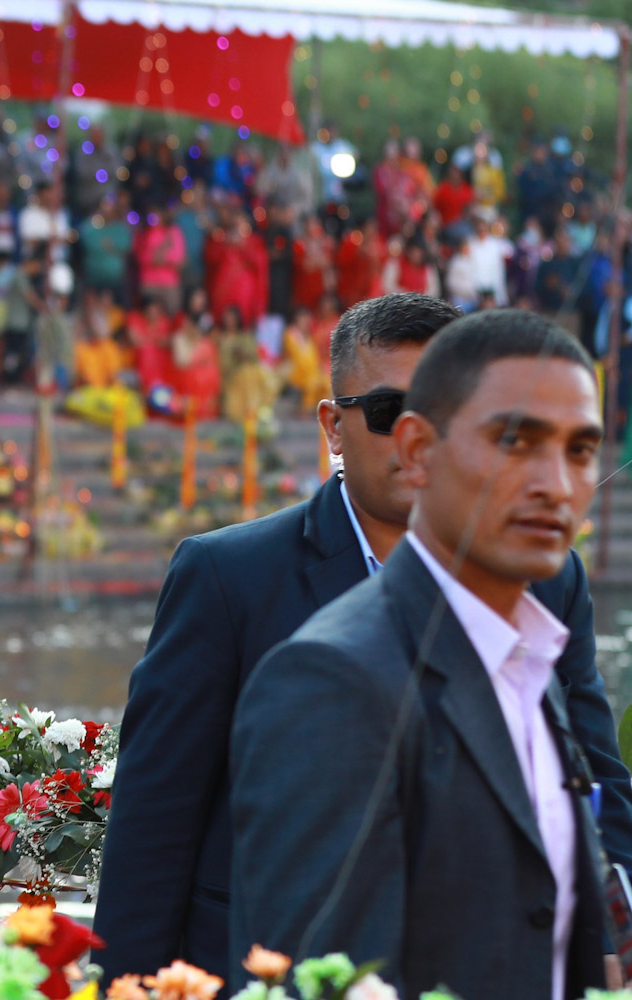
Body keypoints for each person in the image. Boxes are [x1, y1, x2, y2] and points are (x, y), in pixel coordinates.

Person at [92, 294, 632, 986]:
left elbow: (597, 779)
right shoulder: (231, 578)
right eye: (388, 413)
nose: (419, 441)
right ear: (334, 426)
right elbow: (153, 825)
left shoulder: (547, 581)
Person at [230, 311, 612, 1000]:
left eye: (581, 450)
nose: (554, 484)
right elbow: (319, 980)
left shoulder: (530, 651)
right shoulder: (332, 680)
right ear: (416, 449)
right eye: (514, 441)